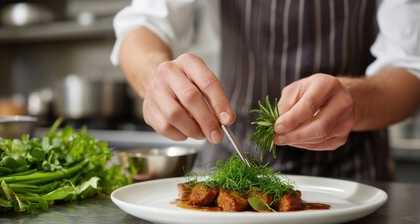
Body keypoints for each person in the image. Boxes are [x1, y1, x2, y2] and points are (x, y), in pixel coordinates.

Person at [110, 0, 420, 181]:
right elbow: (144, 23)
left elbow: (410, 68)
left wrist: (353, 99)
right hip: (229, 155)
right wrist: (155, 75)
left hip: (352, 172)